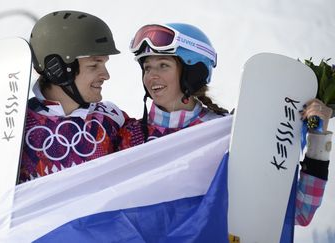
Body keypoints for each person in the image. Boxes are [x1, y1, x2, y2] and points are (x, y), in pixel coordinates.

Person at [0, 10, 131, 242]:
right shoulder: (12, 123)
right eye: (94, 65)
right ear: (58, 68)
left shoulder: (111, 120)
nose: (105, 74)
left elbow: (158, 149)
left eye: (104, 64)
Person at [119, 23, 332, 228]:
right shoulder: (130, 136)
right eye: (147, 67)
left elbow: (298, 211)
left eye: (163, 65)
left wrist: (317, 141)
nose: (151, 76)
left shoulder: (229, 135)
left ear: (192, 72)